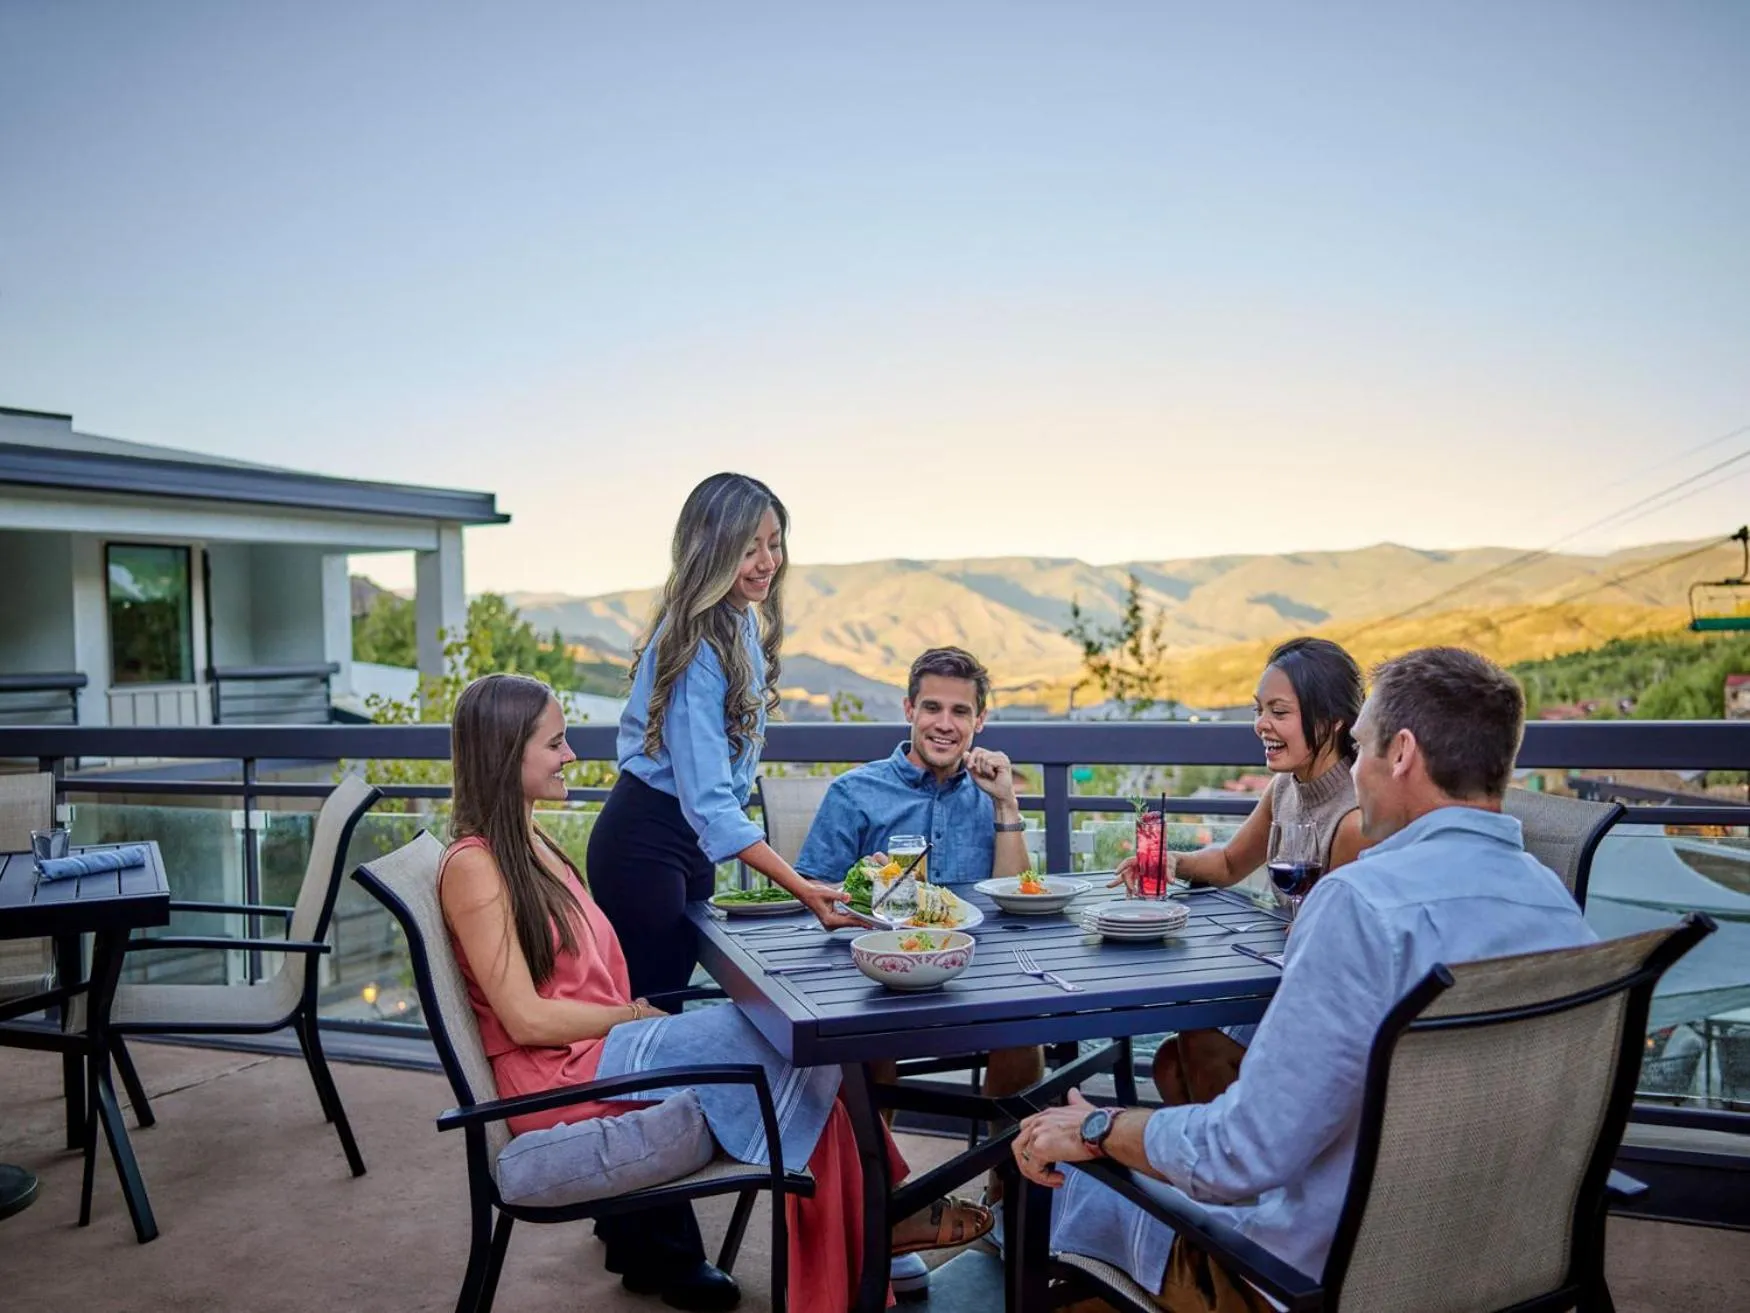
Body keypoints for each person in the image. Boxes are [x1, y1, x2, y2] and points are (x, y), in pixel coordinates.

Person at [1015, 647, 1596, 1312]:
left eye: (1363, 744)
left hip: (1315, 1281)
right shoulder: (1556, 906)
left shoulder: (1364, 904)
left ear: (1401, 753)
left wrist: (1098, 1127)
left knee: (1051, 1167)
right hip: (1502, 1265)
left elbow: (1241, 1154)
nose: (1358, 766)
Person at [440, 675, 992, 1312]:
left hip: (599, 1049)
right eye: (555, 743)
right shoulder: (476, 865)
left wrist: (630, 1019)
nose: (571, 756)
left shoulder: (532, 846)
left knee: (791, 1044)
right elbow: (524, 1017)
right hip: (562, 1077)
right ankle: (882, 1216)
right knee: (776, 1039)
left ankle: (876, 1221)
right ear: (507, 753)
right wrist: (632, 1013)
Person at [794, 647, 1042, 1293]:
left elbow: (1016, 891)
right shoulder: (854, 792)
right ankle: (892, 1207)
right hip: (879, 979)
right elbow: (815, 895)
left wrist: (1007, 801)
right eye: (932, 706)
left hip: (973, 978)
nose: (944, 722)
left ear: (980, 720)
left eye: (960, 710)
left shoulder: (989, 793)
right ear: (908, 709)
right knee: (867, 1044)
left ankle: (1005, 1196)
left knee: (1025, 1037)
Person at [588, 472, 859, 1013]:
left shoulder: (736, 625)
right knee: (652, 1011)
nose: (766, 561)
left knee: (669, 1002)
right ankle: (635, 1102)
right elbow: (711, 803)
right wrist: (802, 890)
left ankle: (663, 1102)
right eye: (747, 548)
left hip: (686, 844)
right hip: (644, 845)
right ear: (710, 552)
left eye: (774, 543)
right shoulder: (695, 648)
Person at [1114, 637, 1367, 1106]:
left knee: (1197, 1042)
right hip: (1279, 976)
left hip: (1325, 1005)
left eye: (1279, 712)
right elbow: (1231, 863)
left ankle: (1238, 1168)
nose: (1261, 725)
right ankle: (1211, 1172)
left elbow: (1332, 944)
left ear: (1333, 721)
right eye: (1259, 710)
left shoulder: (1352, 817)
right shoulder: (1285, 787)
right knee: (1171, 1062)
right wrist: (1173, 864)